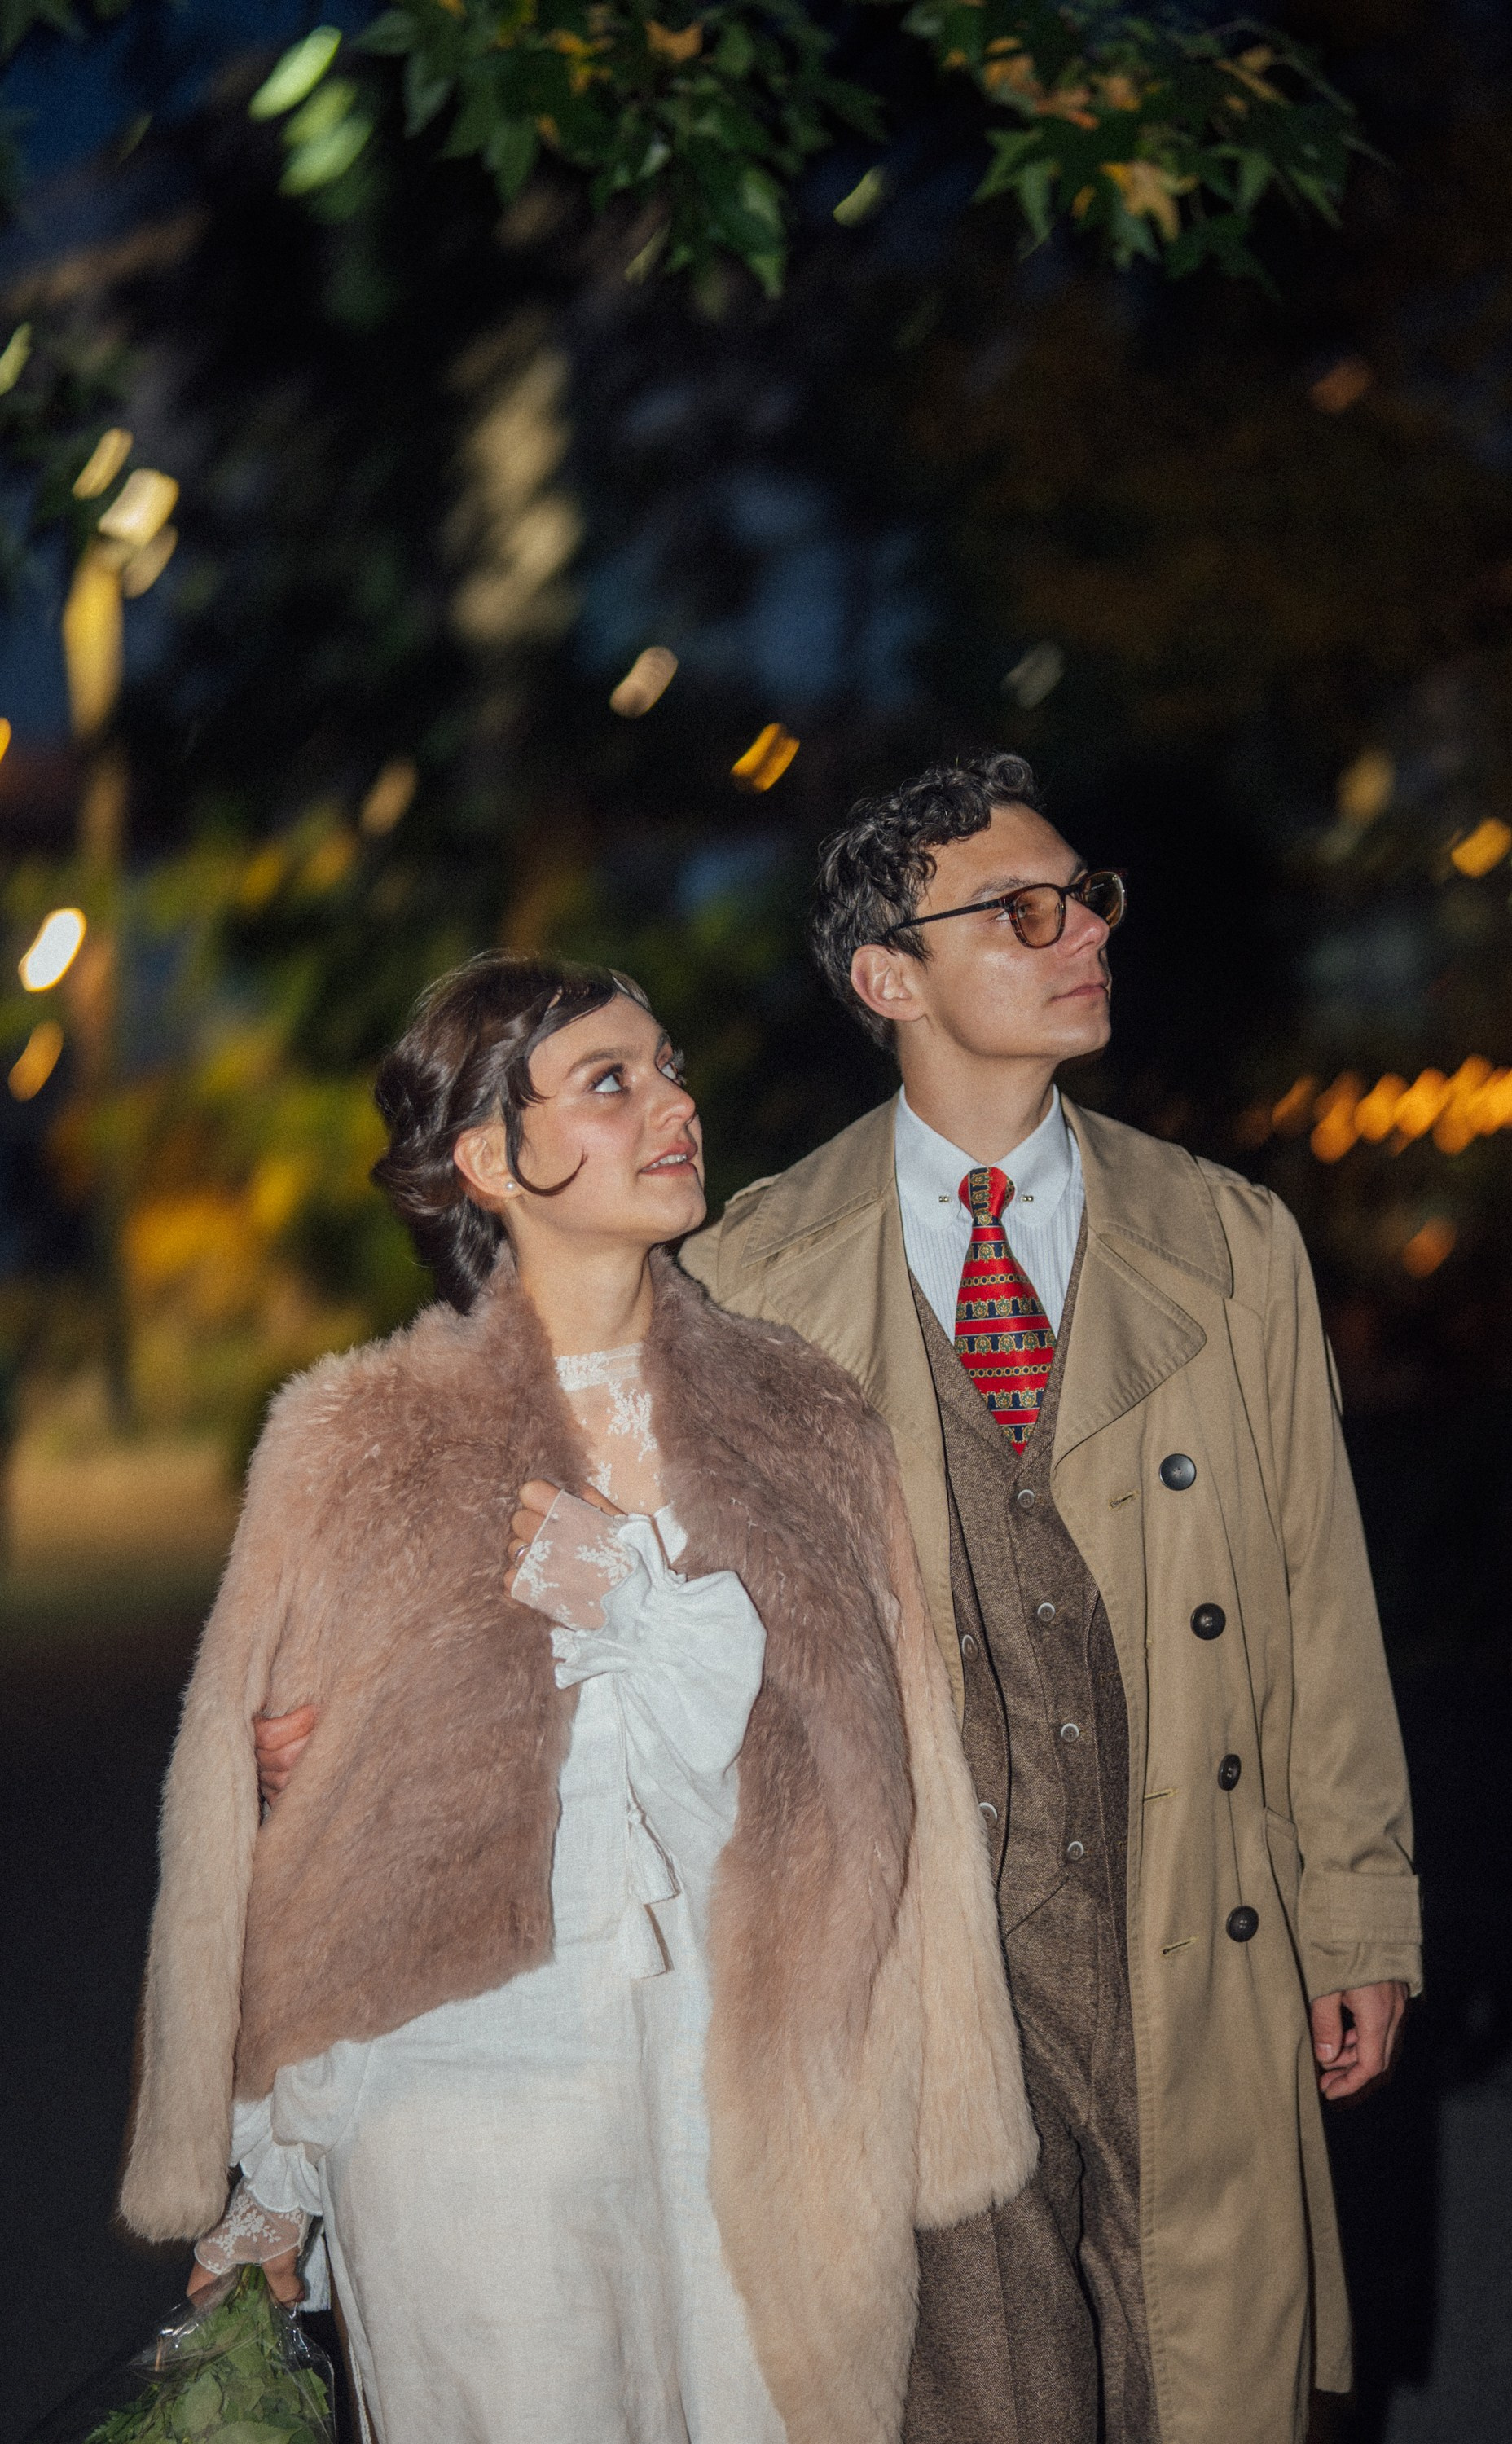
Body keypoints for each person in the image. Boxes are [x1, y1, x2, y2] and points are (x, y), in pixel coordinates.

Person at [120, 952, 1035, 2444]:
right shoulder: (355, 1442)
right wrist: (273, 2169)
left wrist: (637, 1602)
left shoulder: (805, 1417)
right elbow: (306, 1854)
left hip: (755, 2093)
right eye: (610, 1083)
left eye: (667, 1069)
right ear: (488, 1158)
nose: (672, 1104)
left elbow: (895, 1781)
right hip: (465, 2111)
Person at [681, 758, 1422, 2444]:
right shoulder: (746, 1278)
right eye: (1019, 911)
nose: (1079, 930)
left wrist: (1359, 1913)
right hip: (916, 1975)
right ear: (889, 978)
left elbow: (1318, 1601)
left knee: (1200, 2379)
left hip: (1185, 1930)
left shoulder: (1230, 1244)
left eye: (1085, 896)